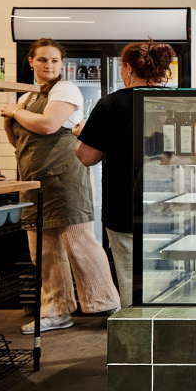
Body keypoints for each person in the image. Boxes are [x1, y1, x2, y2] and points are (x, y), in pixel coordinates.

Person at [0, 38, 120, 333]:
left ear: (62, 64)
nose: (49, 65)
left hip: (65, 179)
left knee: (79, 243)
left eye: (54, 60)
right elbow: (21, 143)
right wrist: (12, 120)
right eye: (42, 59)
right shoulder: (27, 98)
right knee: (43, 250)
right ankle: (56, 310)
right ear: (31, 61)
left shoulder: (64, 89)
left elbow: (48, 125)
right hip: (33, 180)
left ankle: (109, 305)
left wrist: (13, 113)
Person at [73, 40, 176, 307]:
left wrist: (81, 134)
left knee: (132, 280)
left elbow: (87, 157)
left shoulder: (110, 104)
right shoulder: (176, 103)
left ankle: (137, 330)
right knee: (173, 277)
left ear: (128, 68)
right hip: (171, 207)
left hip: (124, 207)